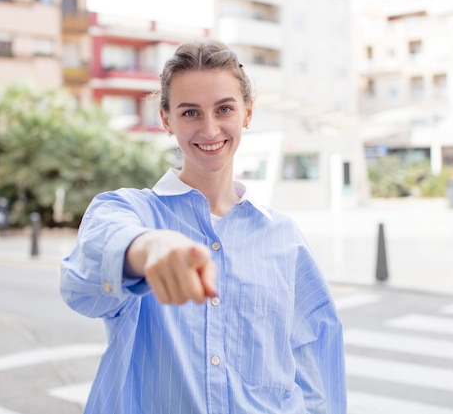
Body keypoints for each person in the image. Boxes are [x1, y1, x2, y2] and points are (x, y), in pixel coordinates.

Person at [60, 39, 347, 414]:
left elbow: (317, 363)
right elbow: (81, 282)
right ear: (166, 120)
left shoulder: (285, 238)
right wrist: (148, 250)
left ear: (247, 113)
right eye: (190, 113)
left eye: (224, 109)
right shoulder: (130, 211)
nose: (210, 129)